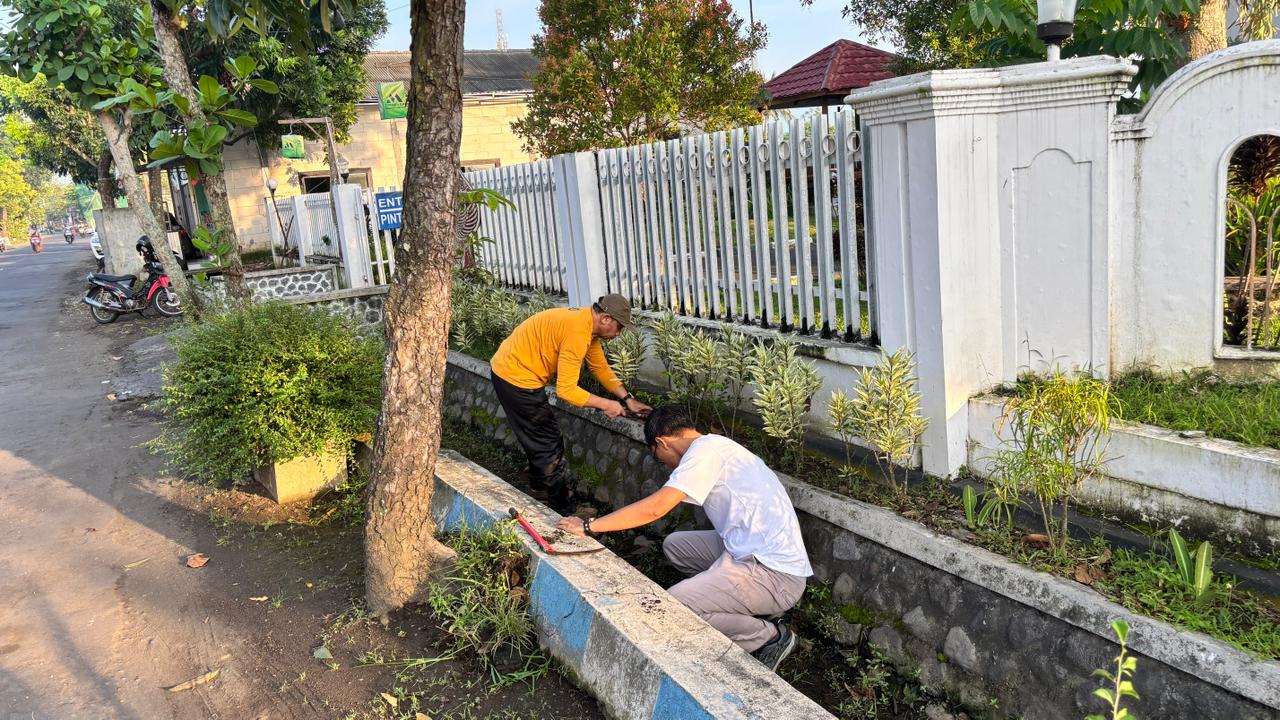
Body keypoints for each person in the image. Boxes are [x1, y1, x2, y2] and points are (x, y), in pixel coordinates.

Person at [556, 406, 812, 672]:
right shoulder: (715, 446)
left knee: (676, 606)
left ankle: (768, 637)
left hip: (775, 574)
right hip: (748, 551)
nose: (665, 466)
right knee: (676, 547)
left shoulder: (703, 454)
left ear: (662, 442)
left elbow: (655, 508)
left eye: (658, 458)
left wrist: (589, 526)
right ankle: (732, 602)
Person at [490, 294, 653, 515]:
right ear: (605, 318)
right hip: (516, 378)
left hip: (511, 371)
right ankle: (564, 508)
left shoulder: (586, 326)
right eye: (619, 327)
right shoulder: (578, 331)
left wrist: (627, 400)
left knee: (542, 439)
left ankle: (539, 485)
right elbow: (566, 390)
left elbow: (600, 368)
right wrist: (606, 404)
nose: (618, 333)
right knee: (548, 445)